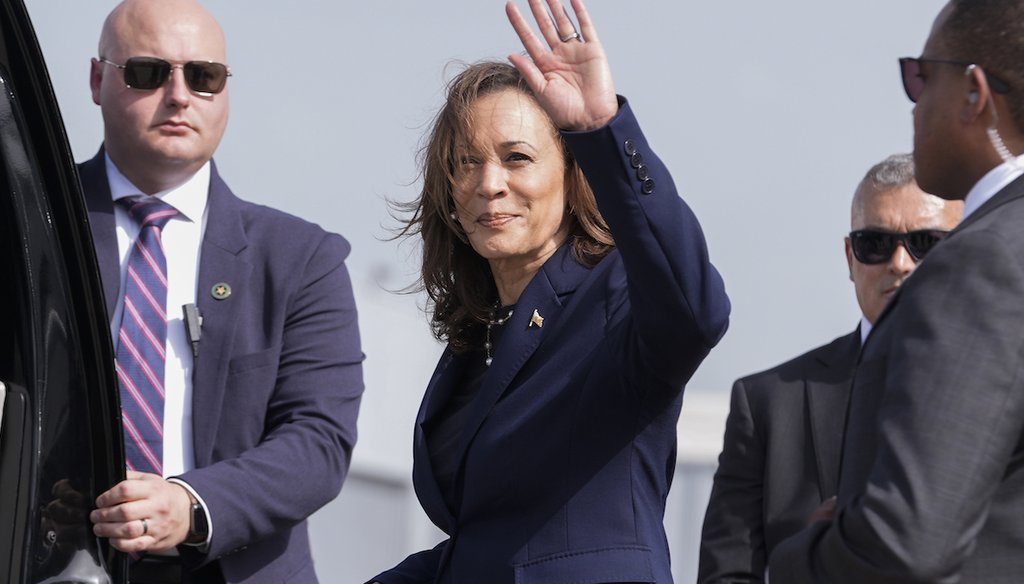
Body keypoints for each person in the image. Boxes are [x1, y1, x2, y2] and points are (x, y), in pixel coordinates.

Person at [368, 0, 730, 582]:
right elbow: (490, 542)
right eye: (467, 163)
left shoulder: (617, 297)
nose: (490, 184)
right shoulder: (476, 338)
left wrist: (601, 130)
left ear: (569, 174)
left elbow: (695, 308)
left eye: (517, 158)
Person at [80, 1, 364, 582]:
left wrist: (189, 506)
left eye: (204, 76)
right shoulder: (31, 229)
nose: (179, 95)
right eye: (148, 72)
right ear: (97, 79)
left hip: (226, 564)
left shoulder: (302, 258)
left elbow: (318, 442)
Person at [769, 1, 1024, 582]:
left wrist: (801, 558)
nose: (912, 101)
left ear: (973, 94)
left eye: (920, 76)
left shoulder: (985, 261)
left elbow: (907, 543)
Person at [697, 154, 962, 583]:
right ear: (849, 257)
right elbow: (726, 575)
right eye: (875, 243)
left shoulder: (1007, 392)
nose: (900, 262)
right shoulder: (768, 403)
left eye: (926, 243)